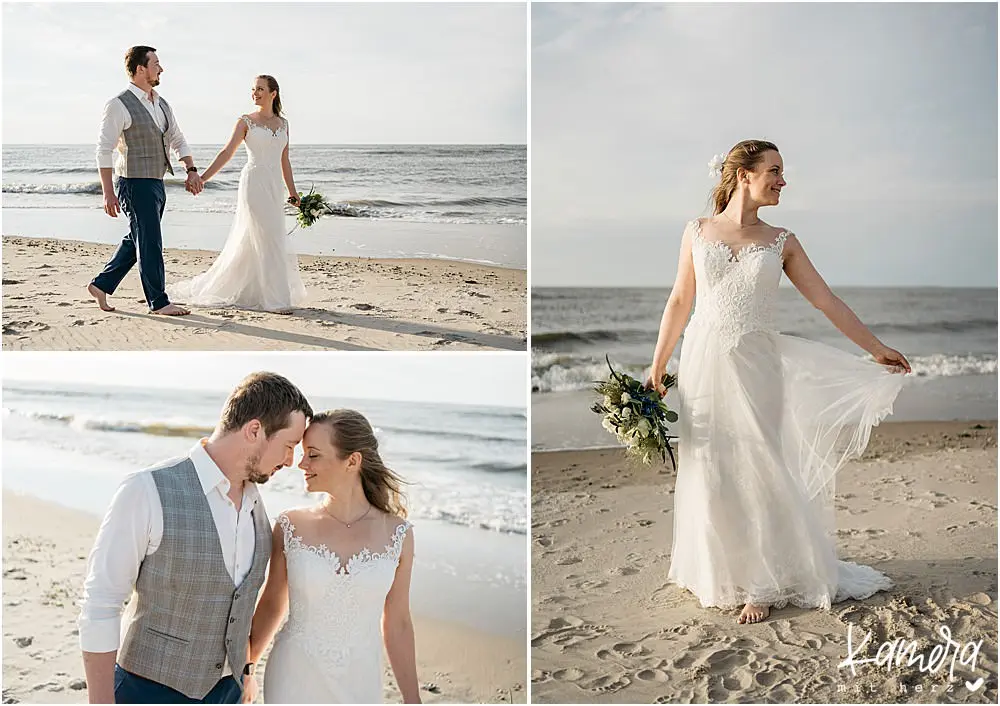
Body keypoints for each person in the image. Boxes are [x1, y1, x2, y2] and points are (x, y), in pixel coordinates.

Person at [646, 139, 911, 625]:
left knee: (759, 462)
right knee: (711, 465)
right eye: (775, 171)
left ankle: (762, 583)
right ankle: (719, 570)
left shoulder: (782, 240)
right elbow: (680, 300)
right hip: (704, 361)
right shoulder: (696, 232)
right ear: (744, 174)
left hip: (757, 364)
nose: (783, 181)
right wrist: (658, 364)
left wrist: (874, 348)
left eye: (782, 172)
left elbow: (825, 301)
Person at [78, 372, 312, 703]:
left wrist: (245, 672)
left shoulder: (259, 510)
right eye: (288, 446)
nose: (290, 461)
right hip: (146, 691)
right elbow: (101, 603)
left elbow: (237, 606)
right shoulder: (146, 490)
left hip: (228, 692)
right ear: (255, 430)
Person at [247, 409, 420, 704]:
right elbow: (273, 603)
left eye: (313, 455)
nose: (301, 464)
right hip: (293, 676)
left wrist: (413, 699)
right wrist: (246, 670)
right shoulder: (290, 525)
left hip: (360, 680)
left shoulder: (398, 534)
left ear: (352, 461)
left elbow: (398, 622)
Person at [168, 75, 307, 313]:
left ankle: (264, 292)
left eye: (260, 89)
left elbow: (285, 160)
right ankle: (275, 300)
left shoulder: (284, 124)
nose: (255, 93)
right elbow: (226, 153)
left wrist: (293, 192)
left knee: (270, 235)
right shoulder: (245, 122)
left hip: (274, 185)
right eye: (253, 89)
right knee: (264, 235)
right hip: (253, 183)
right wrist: (202, 178)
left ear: (273, 93)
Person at [88, 45, 200, 316]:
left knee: (139, 237)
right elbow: (103, 149)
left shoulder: (161, 103)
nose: (161, 68)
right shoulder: (118, 104)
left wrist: (191, 168)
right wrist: (107, 192)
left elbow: (176, 137)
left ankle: (101, 284)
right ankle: (159, 302)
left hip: (156, 182)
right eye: (156, 64)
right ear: (140, 69)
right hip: (132, 182)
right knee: (150, 240)